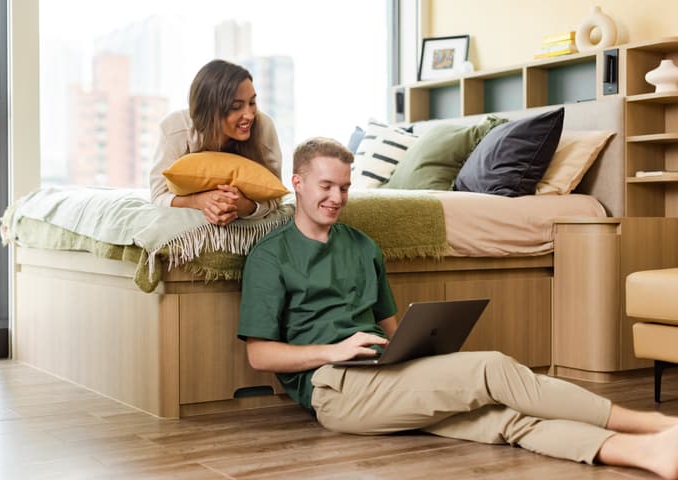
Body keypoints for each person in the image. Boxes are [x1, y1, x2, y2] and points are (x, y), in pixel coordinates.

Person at [238, 136, 678, 480]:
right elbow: (259, 355)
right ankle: (654, 426)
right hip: (333, 389)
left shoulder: (362, 246)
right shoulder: (271, 255)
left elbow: (392, 327)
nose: (337, 197)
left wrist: (414, 347)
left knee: (505, 421)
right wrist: (332, 351)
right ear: (297, 184)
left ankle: (646, 454)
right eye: (326, 186)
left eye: (345, 188)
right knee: (490, 369)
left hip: (383, 373)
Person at [150, 59, 282, 226]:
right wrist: (199, 201)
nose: (249, 115)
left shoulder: (264, 127)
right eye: (236, 106)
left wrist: (245, 207)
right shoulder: (175, 129)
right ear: (209, 109)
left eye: (252, 103)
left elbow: (276, 196)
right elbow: (158, 196)